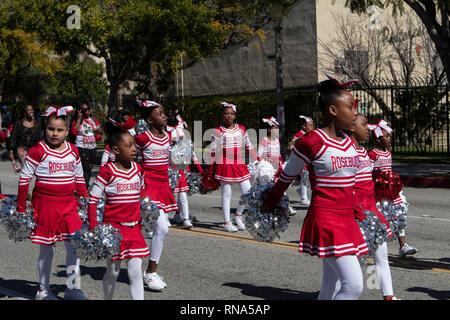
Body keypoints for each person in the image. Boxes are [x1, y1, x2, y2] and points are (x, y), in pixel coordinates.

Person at [261, 74, 368, 300]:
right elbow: (287, 176)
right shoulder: (312, 142)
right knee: (354, 285)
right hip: (327, 220)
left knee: (331, 285)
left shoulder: (349, 143)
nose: (355, 113)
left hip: (347, 219)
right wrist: (269, 203)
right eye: (350, 107)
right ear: (332, 110)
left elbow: (351, 185)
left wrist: (359, 212)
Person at [17, 106, 89, 300]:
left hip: (69, 205)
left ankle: (72, 288)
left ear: (67, 131)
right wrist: (21, 208)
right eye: (51, 129)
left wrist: (84, 201)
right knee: (47, 248)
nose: (55, 133)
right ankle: (43, 289)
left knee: (74, 245)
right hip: (46, 206)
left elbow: (80, 178)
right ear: (45, 129)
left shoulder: (73, 151)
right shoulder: (37, 150)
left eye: (59, 130)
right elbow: (24, 179)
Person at [88, 118, 148, 300]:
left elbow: (143, 193)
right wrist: (94, 227)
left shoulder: (138, 169)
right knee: (113, 271)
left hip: (134, 229)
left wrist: (146, 211)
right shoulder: (108, 171)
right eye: (128, 146)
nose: (133, 149)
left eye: (134, 145)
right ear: (115, 150)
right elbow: (93, 198)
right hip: (113, 230)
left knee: (135, 272)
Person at [347, 111, 399, 300]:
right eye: (364, 125)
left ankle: (389, 297)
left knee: (381, 258)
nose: (369, 129)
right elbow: (347, 188)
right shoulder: (347, 153)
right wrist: (359, 215)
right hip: (356, 217)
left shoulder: (363, 152)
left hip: (373, 214)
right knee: (350, 267)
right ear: (352, 127)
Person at [134, 99, 177, 291]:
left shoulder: (168, 136)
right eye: (159, 114)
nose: (164, 116)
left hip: (164, 185)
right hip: (148, 184)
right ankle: (149, 273)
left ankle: (150, 271)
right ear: (150, 121)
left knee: (162, 229)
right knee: (162, 228)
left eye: (164, 113)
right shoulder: (142, 138)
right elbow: (125, 152)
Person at [368, 120, 417, 258]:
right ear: (378, 139)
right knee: (379, 218)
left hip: (392, 190)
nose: (390, 139)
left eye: (390, 136)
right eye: (386, 136)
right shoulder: (373, 154)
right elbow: (368, 172)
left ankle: (403, 246)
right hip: (379, 192)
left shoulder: (388, 153)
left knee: (399, 213)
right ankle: (372, 244)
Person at [209, 102, 258, 232]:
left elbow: (248, 146)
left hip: (239, 164)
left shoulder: (241, 128)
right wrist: (210, 168)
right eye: (226, 113)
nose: (229, 116)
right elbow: (213, 151)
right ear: (222, 115)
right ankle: (226, 222)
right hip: (225, 164)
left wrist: (257, 159)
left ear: (235, 116)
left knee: (248, 192)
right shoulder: (217, 131)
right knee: (227, 194)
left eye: (231, 113)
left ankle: (238, 216)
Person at [167, 114, 204, 229]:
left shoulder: (185, 141)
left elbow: (192, 154)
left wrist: (200, 169)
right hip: (170, 169)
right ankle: (167, 216)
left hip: (182, 170)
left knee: (182, 195)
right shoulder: (166, 137)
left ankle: (185, 218)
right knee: (169, 195)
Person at [71, 103, 102, 186]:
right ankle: (85, 187)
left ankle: (85, 185)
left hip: (93, 146)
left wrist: (98, 131)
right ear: (80, 111)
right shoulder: (77, 120)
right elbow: (74, 131)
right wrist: (79, 119)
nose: (87, 111)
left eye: (88, 109)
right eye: (85, 110)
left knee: (90, 167)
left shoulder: (93, 120)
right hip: (82, 147)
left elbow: (99, 130)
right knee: (85, 167)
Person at [289, 115, 315, 206]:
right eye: (310, 125)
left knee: (309, 179)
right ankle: (304, 198)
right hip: (301, 160)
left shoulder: (311, 135)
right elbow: (292, 146)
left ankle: (301, 191)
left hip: (308, 160)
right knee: (305, 177)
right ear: (304, 126)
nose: (312, 127)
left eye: (312, 125)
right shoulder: (299, 135)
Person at [9, 104, 43, 170]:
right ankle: (23, 179)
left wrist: (41, 150)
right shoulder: (18, 123)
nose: (31, 111)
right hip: (22, 149)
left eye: (32, 110)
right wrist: (11, 151)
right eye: (29, 110)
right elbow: (13, 137)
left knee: (34, 170)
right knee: (26, 169)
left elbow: (39, 138)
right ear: (25, 112)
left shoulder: (37, 124)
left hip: (33, 149)